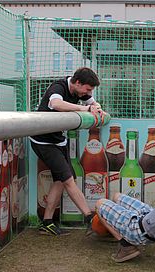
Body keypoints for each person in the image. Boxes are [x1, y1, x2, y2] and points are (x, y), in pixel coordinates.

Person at [30, 67, 101, 236]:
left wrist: (97, 108)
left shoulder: (80, 92)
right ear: (77, 83)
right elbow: (56, 104)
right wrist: (84, 109)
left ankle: (46, 222)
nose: (88, 93)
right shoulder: (58, 87)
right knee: (68, 179)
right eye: (88, 89)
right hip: (43, 141)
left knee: (61, 180)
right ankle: (89, 218)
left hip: (59, 140)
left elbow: (93, 104)